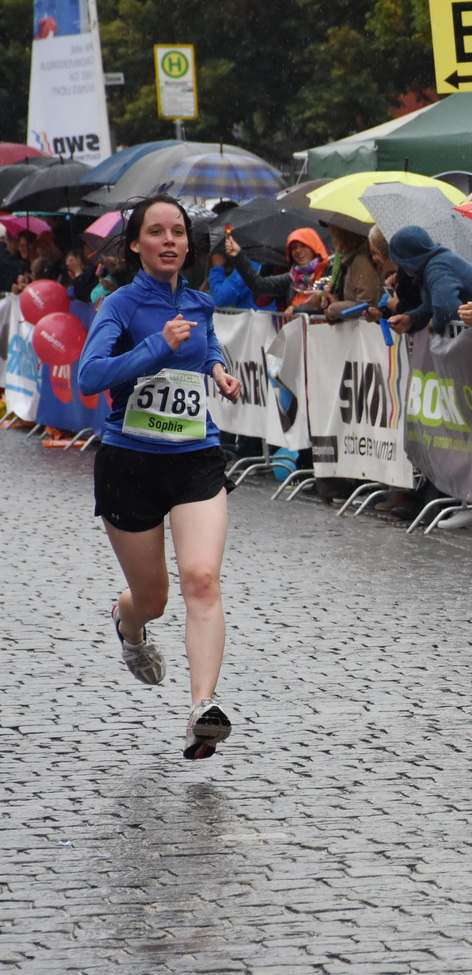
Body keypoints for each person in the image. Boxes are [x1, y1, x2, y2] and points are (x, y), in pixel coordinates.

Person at [72, 195, 245, 759]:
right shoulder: (119, 305)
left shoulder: (199, 301)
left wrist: (217, 367)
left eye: (178, 232)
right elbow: (89, 377)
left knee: (202, 578)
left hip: (196, 456)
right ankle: (129, 624)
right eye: (156, 232)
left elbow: (205, 339)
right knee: (153, 599)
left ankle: (202, 711)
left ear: (189, 244)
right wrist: (156, 346)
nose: (169, 241)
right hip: (130, 463)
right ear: (136, 244)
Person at [386, 226, 472, 334]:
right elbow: (431, 306)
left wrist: (435, 324)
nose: (402, 268)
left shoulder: (437, 268)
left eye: (401, 263)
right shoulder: (435, 262)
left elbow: (446, 309)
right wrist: (411, 319)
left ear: (409, 260)